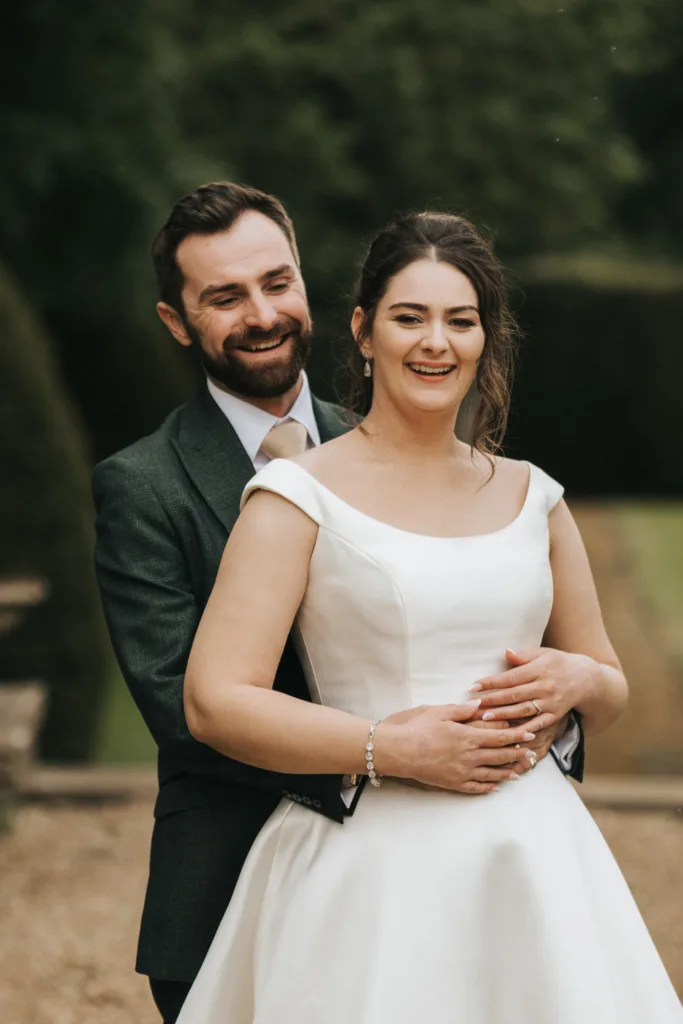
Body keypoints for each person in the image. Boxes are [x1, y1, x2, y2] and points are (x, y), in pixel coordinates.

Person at [92, 185, 583, 1024]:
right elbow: (188, 708)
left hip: (471, 851)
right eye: (224, 297)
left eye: (275, 282)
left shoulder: (400, 440)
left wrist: (527, 718)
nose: (262, 313)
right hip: (237, 869)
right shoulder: (143, 487)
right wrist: (391, 752)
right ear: (177, 322)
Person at [177, 211, 683, 1023]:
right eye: (408, 317)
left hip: (533, 859)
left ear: (486, 339)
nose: (435, 343)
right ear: (363, 331)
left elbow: (610, 686)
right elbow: (214, 700)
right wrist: (388, 747)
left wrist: (575, 677)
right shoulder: (295, 497)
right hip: (368, 861)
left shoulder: (534, 497)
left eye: (460, 320)